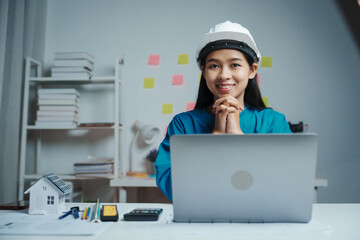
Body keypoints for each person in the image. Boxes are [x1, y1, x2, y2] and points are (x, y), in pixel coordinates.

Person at [155, 21, 292, 201]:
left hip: (260, 220)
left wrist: (236, 136)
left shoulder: (273, 122)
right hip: (200, 220)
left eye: (235, 65)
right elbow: (173, 187)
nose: (224, 75)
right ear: (203, 72)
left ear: (252, 70)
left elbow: (286, 182)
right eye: (214, 66)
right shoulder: (183, 125)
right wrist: (218, 135)